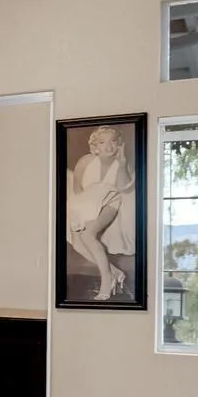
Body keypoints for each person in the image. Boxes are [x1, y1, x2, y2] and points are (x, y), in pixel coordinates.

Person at [66, 124, 135, 300]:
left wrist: (122, 164)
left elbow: (124, 188)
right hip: (86, 203)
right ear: (95, 146)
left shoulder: (123, 164)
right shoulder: (85, 162)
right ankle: (115, 272)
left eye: (113, 141)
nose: (108, 146)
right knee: (79, 244)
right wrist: (77, 215)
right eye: (102, 142)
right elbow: (77, 191)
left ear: (119, 144)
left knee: (88, 235)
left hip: (111, 201)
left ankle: (107, 280)